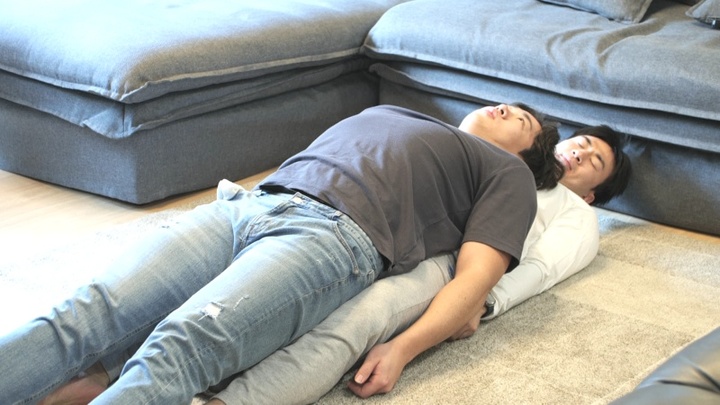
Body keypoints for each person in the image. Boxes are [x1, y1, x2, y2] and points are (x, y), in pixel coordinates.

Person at [2, 103, 561, 405]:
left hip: (335, 237)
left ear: (526, 156)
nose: (505, 108)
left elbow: (474, 281)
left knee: (182, 346)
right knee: (89, 309)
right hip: (248, 205)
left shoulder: (507, 174)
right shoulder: (402, 114)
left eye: (523, 120)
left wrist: (404, 348)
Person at [196, 125, 632, 404]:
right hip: (398, 222)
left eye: (594, 162)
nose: (580, 154)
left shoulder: (576, 214)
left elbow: (543, 269)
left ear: (592, 193)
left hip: (456, 261)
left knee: (361, 317)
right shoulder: (508, 153)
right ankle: (203, 360)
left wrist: (484, 300)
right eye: (581, 143)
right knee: (283, 276)